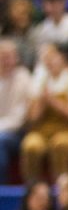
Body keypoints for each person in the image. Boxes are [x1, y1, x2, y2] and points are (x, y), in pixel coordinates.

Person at [20, 42, 68, 182]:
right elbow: (32, 118)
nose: (49, 60)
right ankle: (31, 187)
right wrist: (41, 102)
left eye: (53, 55)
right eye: (46, 57)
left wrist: (54, 102)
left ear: (63, 57)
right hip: (41, 131)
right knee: (30, 145)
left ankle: (63, 186)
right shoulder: (38, 81)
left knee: (60, 144)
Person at [0, 38, 32, 183]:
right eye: (2, 56)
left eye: (9, 56)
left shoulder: (23, 77)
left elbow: (20, 116)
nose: (6, 61)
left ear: (16, 58)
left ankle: (2, 187)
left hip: (17, 133)